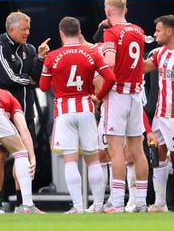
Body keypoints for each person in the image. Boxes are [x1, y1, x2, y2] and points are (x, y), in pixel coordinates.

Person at [38, 17, 116, 213]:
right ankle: (97, 205)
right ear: (79, 31)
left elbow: (43, 86)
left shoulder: (52, 56)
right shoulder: (91, 54)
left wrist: (46, 65)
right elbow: (111, 78)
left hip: (64, 111)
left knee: (70, 160)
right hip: (86, 107)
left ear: (61, 33)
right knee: (93, 160)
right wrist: (98, 97)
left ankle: (78, 207)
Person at [0, 11, 49, 213]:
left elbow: (37, 78)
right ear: (11, 29)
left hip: (25, 111)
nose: (27, 33)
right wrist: (29, 80)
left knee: (23, 156)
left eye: (28, 29)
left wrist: (40, 57)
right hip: (3, 114)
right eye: (24, 29)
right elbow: (8, 78)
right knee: (0, 154)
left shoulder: (30, 49)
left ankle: (23, 203)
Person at [101, 0, 149, 213]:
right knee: (137, 150)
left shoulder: (110, 33)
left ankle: (118, 202)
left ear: (108, 11)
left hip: (117, 94)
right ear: (125, 10)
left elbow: (109, 63)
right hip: (136, 95)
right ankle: (141, 201)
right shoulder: (138, 31)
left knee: (116, 150)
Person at [142, 15, 174, 212]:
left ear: (170, 31)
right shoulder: (159, 53)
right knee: (159, 156)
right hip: (160, 114)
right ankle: (160, 202)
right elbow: (145, 67)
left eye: (158, 30)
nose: (155, 34)